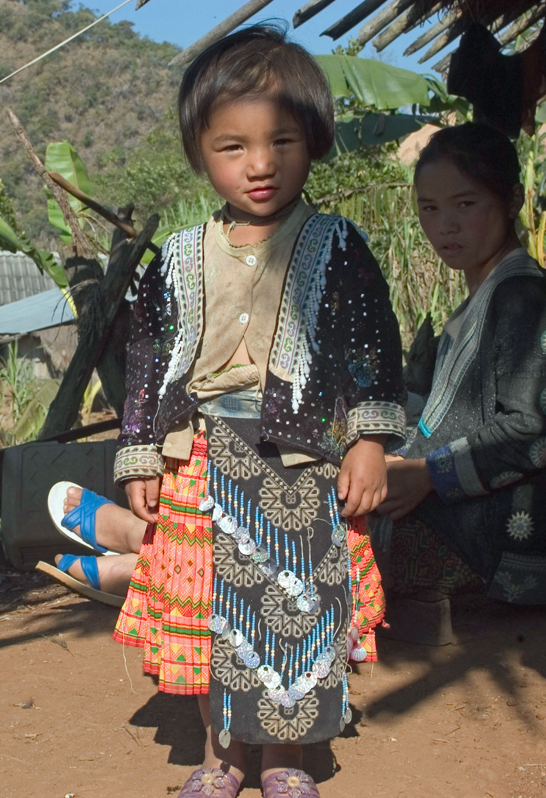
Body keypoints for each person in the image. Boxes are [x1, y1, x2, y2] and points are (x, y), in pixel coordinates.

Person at [112, 26, 407, 797]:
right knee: (214, 618)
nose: (261, 164)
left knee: (289, 613)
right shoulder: (178, 256)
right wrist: (141, 453)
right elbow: (148, 358)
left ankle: (286, 760)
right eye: (232, 146)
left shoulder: (338, 246)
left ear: (313, 139)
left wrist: (369, 440)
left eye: (281, 140)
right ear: (199, 153)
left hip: (300, 461)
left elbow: (369, 348)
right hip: (201, 461)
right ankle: (224, 761)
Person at [376, 123, 546, 618]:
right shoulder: (486, 295)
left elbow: (535, 431)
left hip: (514, 540)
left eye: (465, 204)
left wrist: (426, 476)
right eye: (429, 209)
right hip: (480, 509)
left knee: (335, 518)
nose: (445, 226)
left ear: (513, 199)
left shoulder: (524, 299)